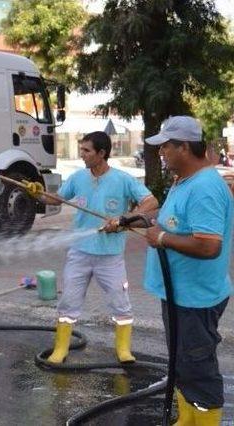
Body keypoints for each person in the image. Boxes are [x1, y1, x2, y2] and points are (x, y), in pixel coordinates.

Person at [27, 131, 159, 364]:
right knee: (68, 301)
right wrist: (38, 194)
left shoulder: (123, 179)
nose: (82, 155)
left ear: (102, 153)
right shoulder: (78, 177)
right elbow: (57, 199)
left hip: (110, 256)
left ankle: (123, 350)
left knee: (120, 303)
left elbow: (151, 202)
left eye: (87, 151)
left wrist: (125, 219)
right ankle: (61, 349)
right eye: (81, 150)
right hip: (79, 252)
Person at [141, 116, 232, 425]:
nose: (161, 153)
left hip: (195, 298)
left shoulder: (204, 188)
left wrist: (163, 238)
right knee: (183, 365)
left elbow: (209, 247)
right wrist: (140, 222)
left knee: (198, 369)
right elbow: (177, 222)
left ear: (184, 148)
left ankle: (204, 420)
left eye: (166, 146)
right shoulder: (184, 181)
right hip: (181, 294)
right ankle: (186, 418)